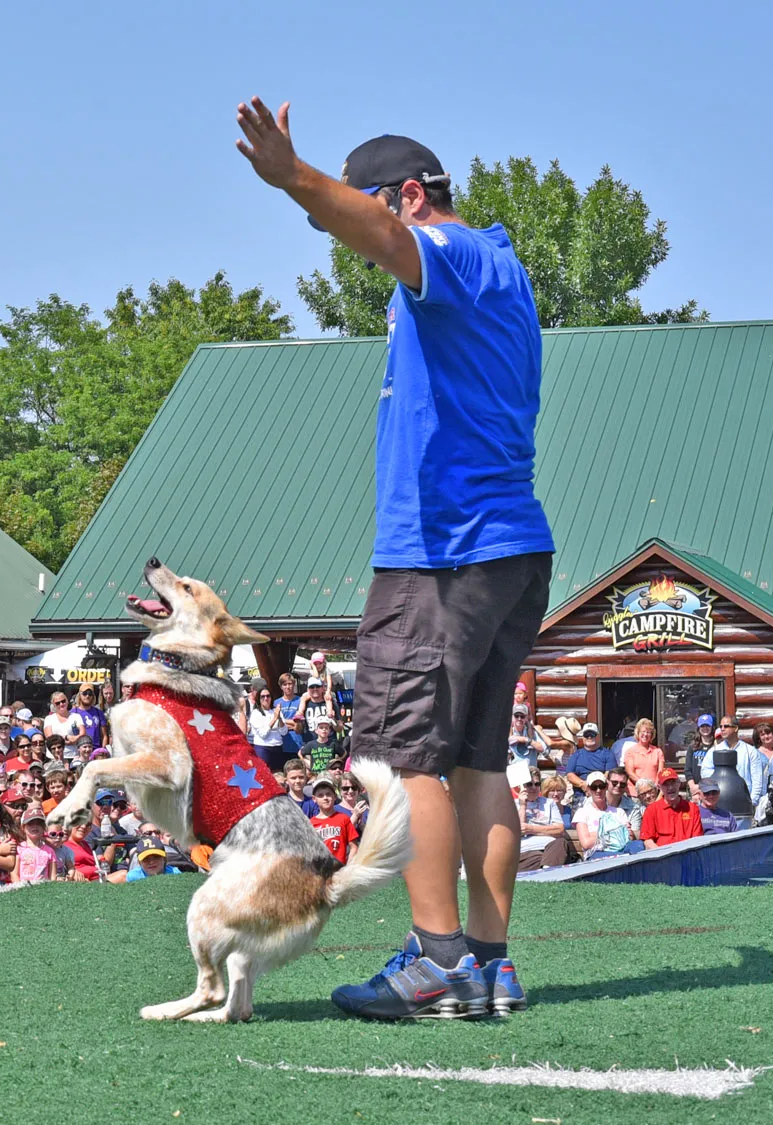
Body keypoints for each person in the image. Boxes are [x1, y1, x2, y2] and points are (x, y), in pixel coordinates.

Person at [237, 108, 554, 1020]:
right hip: (507, 544)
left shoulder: (455, 259)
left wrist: (295, 176)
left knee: (403, 754)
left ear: (412, 197)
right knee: (476, 761)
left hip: (445, 552)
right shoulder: (505, 268)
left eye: (359, 212)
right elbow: (374, 229)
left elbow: (380, 231)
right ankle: (489, 966)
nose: (347, 238)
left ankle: (438, 963)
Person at [513, 770, 567, 870]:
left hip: (550, 848)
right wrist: (523, 805)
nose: (534, 787)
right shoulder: (513, 804)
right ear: (522, 786)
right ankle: (548, 870)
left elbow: (560, 829)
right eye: (529, 784)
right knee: (542, 859)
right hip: (525, 851)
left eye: (537, 784)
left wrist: (532, 829)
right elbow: (520, 831)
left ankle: (546, 870)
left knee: (561, 842)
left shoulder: (549, 803)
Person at [573, 779, 637, 861]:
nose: (598, 790)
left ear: (606, 787)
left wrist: (595, 834)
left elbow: (629, 837)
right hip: (597, 852)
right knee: (621, 858)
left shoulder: (619, 812)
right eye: (594, 787)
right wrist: (616, 830)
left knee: (638, 846)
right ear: (588, 790)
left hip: (622, 848)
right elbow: (586, 843)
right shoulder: (582, 812)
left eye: (602, 787)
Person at [639, 769, 703, 847]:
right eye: (666, 784)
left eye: (673, 783)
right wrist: (660, 855)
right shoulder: (651, 810)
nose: (670, 787)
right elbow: (648, 840)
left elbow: (697, 840)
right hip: (662, 855)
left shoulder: (692, 809)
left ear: (679, 783)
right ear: (659, 787)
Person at [308, 779, 358, 865]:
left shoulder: (344, 819)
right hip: (320, 872)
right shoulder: (310, 823)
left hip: (340, 870)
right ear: (314, 799)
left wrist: (348, 867)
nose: (325, 798)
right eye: (320, 795)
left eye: (328, 794)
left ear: (334, 796)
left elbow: (354, 847)